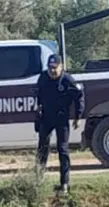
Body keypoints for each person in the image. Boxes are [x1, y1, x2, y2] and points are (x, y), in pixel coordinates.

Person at [34, 53, 84, 195]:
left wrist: (78, 116)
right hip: (46, 117)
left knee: (62, 149)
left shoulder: (67, 80)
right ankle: (39, 179)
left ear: (61, 66)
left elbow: (79, 97)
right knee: (42, 148)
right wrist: (38, 108)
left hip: (61, 118)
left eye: (55, 68)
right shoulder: (43, 77)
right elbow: (38, 93)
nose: (52, 71)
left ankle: (64, 184)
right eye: (50, 68)